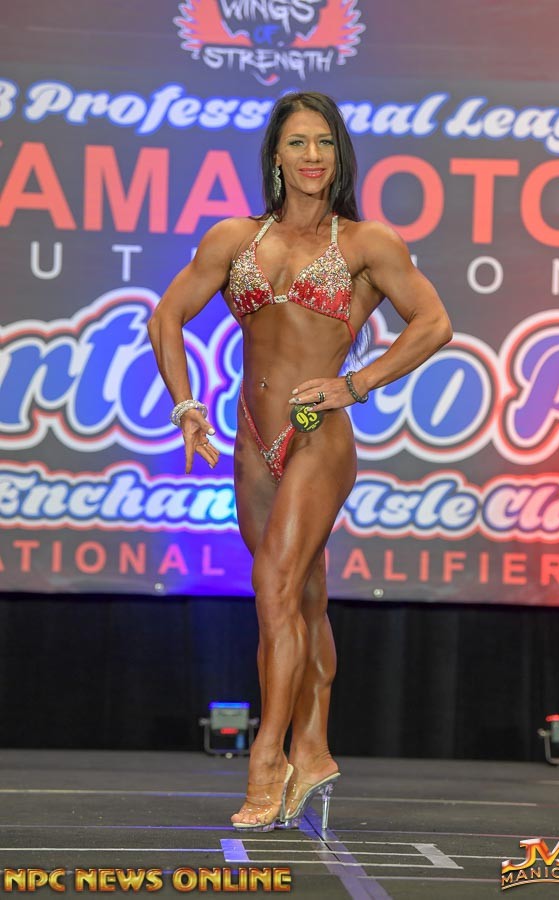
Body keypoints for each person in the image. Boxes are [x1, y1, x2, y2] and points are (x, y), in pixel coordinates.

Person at [147, 91, 452, 832]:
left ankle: (268, 759)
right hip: (253, 437)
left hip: (318, 435)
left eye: (324, 142)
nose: (312, 155)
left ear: (339, 156)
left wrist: (357, 383)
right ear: (276, 156)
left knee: (274, 589)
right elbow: (166, 316)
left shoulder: (367, 243)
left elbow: (434, 323)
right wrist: (186, 406)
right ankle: (313, 747)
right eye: (298, 142)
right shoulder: (234, 238)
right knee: (303, 601)